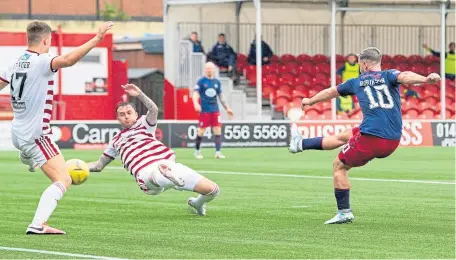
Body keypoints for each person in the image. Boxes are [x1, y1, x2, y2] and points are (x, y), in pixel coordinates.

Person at [288, 47, 441, 224]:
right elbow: (405, 76)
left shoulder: (356, 82)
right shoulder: (389, 75)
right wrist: (426, 79)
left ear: (365, 64)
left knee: (338, 166)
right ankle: (300, 144)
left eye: (361, 64)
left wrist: (310, 100)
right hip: (392, 140)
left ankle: (344, 212)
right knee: (346, 135)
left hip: (372, 138)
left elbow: (331, 92)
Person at [0, 21, 113, 234]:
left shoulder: (15, 62)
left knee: (27, 151)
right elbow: (69, 60)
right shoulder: (43, 61)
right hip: (36, 135)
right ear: (45, 40)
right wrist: (97, 38)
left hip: (17, 130)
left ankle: (28, 157)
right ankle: (38, 224)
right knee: (63, 179)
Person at [87, 84, 220, 216]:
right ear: (118, 119)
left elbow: (153, 109)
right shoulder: (115, 141)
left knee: (213, 190)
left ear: (136, 114)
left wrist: (139, 93)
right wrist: (71, 167)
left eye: (129, 113)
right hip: (144, 172)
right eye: (122, 114)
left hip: (168, 164)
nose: (126, 116)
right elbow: (98, 166)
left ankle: (197, 203)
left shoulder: (144, 124)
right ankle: (165, 174)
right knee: (156, 174)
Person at [192, 62, 234, 159]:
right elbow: (195, 93)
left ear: (214, 69)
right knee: (201, 131)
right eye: (207, 68)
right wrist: (196, 103)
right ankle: (197, 151)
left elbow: (221, 96)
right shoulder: (201, 81)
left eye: (211, 68)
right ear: (205, 69)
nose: (209, 70)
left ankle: (218, 152)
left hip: (215, 110)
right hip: (205, 110)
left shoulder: (217, 82)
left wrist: (227, 108)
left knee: (217, 130)